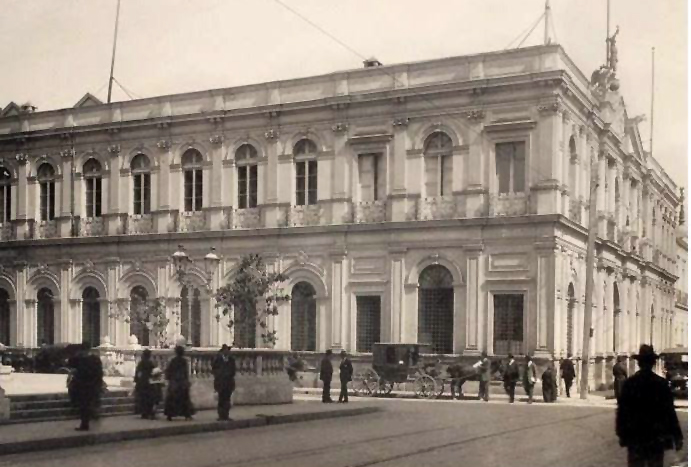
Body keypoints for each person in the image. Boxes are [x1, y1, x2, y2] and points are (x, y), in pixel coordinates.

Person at [616, 345, 683, 467]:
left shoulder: (630, 384)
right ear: (652, 363)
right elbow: (669, 413)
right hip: (656, 438)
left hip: (636, 438)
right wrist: (677, 436)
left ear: (639, 363)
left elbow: (622, 412)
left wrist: (622, 434)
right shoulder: (661, 384)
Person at [69, 343, 104, 431]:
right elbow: (100, 373)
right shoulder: (94, 359)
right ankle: (90, 419)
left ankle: (85, 423)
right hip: (92, 385)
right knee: (89, 403)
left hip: (84, 386)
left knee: (84, 405)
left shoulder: (82, 360)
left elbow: (71, 364)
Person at [164, 346, 195, 421]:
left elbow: (169, 371)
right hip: (181, 382)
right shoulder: (184, 361)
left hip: (174, 382)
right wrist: (187, 381)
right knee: (184, 399)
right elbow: (185, 372)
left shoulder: (173, 361)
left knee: (172, 399)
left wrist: (168, 378)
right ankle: (186, 414)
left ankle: (170, 414)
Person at [212, 344, 236, 421]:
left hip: (228, 383)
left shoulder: (231, 360)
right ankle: (221, 415)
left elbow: (233, 370)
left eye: (228, 350)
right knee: (221, 399)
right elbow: (214, 370)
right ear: (223, 351)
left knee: (227, 399)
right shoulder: (218, 360)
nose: (228, 352)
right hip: (221, 382)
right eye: (226, 350)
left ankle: (226, 415)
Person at [134, 349, 159, 419]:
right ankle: (150, 411)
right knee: (150, 398)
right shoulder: (151, 363)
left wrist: (137, 380)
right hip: (150, 382)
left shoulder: (140, 363)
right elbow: (155, 373)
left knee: (143, 398)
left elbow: (138, 373)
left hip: (142, 382)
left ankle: (144, 412)